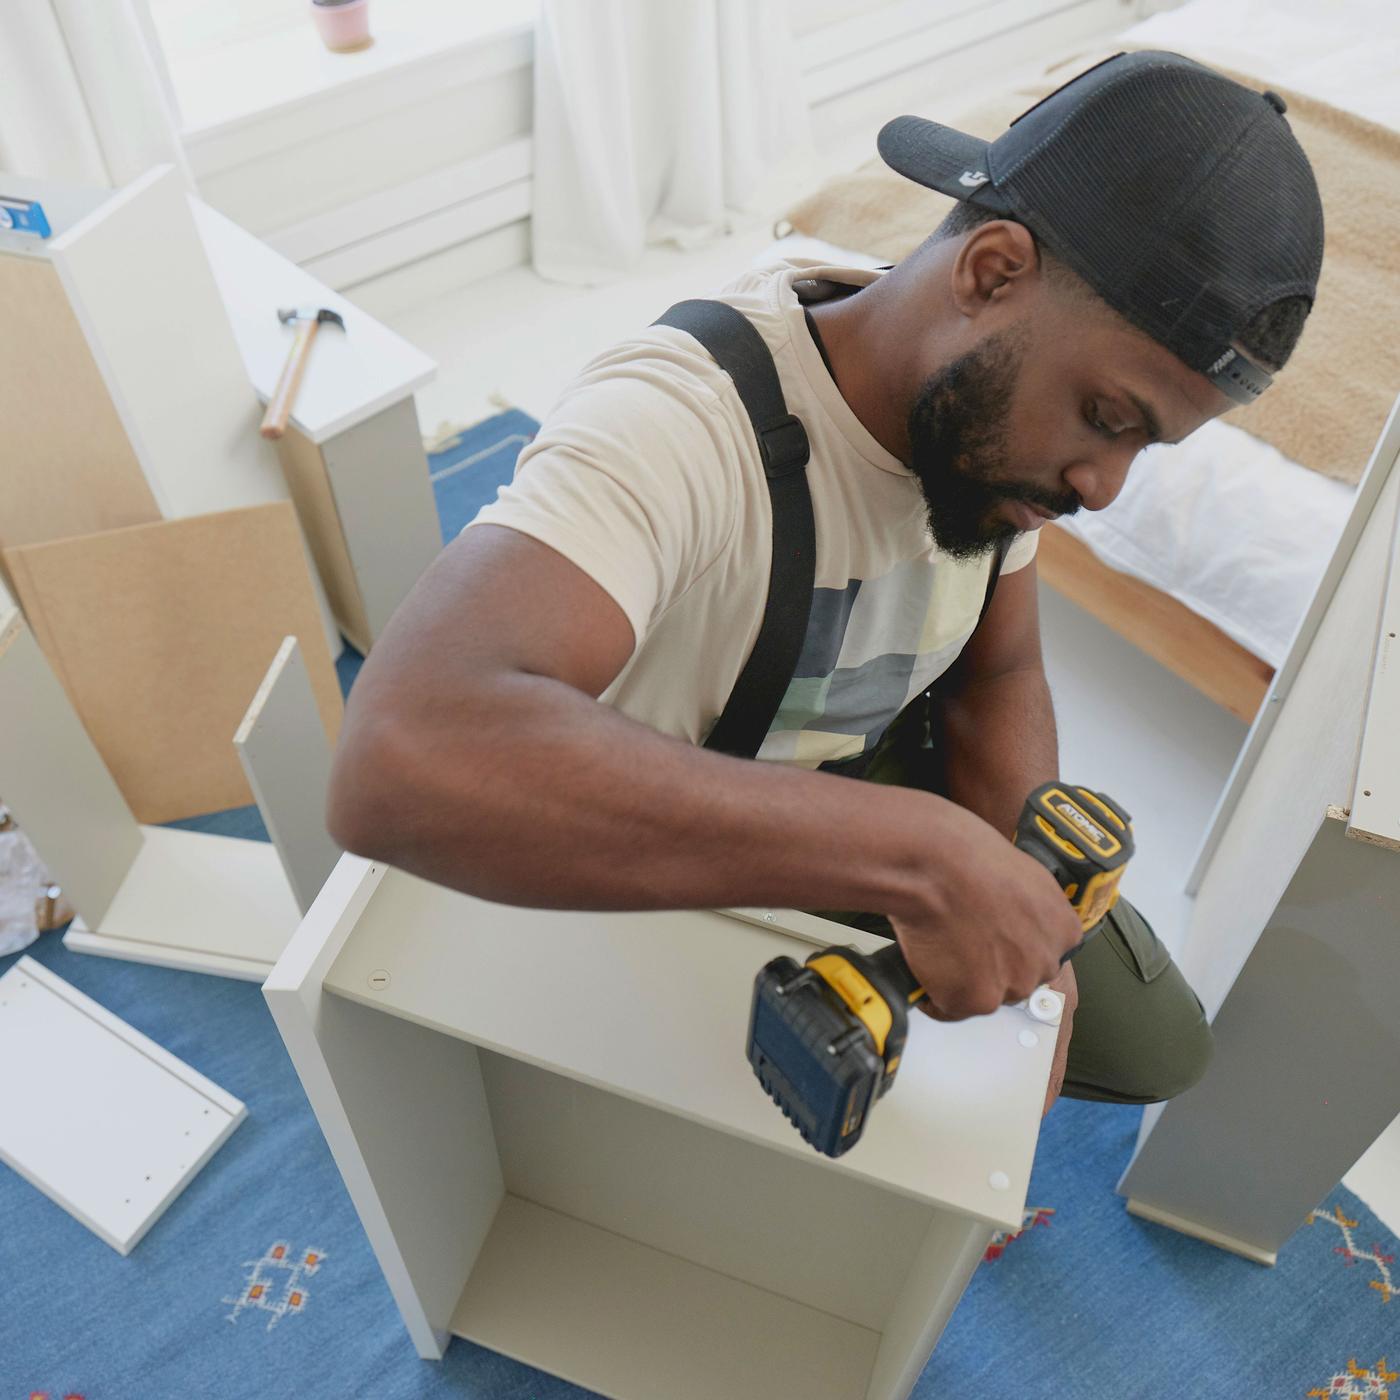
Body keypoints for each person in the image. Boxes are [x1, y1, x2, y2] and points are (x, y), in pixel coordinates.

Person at [326, 51, 1323, 1116]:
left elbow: (997, 675)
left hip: (852, 763)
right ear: (990, 272)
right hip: (661, 805)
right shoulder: (679, 421)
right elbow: (399, 755)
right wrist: (918, 856)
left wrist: (1019, 905)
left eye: (1147, 446)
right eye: (1107, 418)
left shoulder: (989, 432)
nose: (1102, 486)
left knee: (1157, 1045)